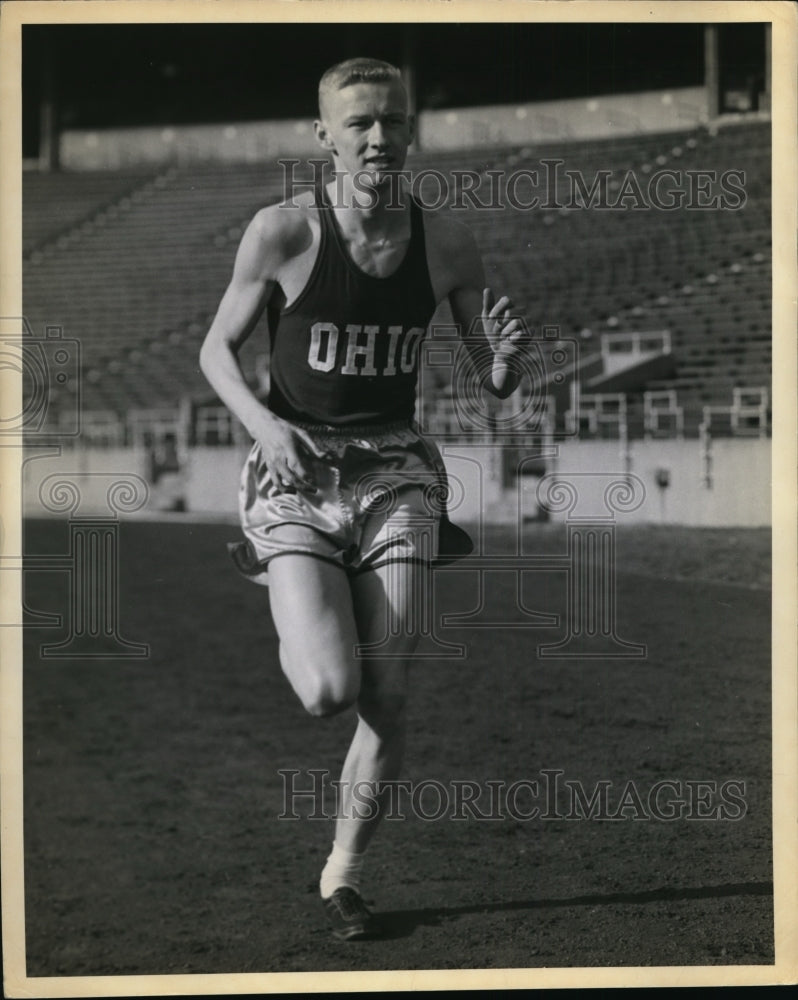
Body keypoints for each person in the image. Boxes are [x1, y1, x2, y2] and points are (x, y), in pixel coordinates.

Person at [199, 57, 528, 941]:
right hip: (298, 472)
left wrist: (500, 367)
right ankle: (281, 561)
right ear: (324, 137)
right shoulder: (282, 233)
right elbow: (214, 354)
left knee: (390, 692)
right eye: (359, 124)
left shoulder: (448, 241)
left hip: (396, 476)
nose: (380, 137)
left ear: (411, 128)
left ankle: (343, 873)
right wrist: (265, 429)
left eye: (393, 120)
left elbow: (488, 372)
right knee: (325, 692)